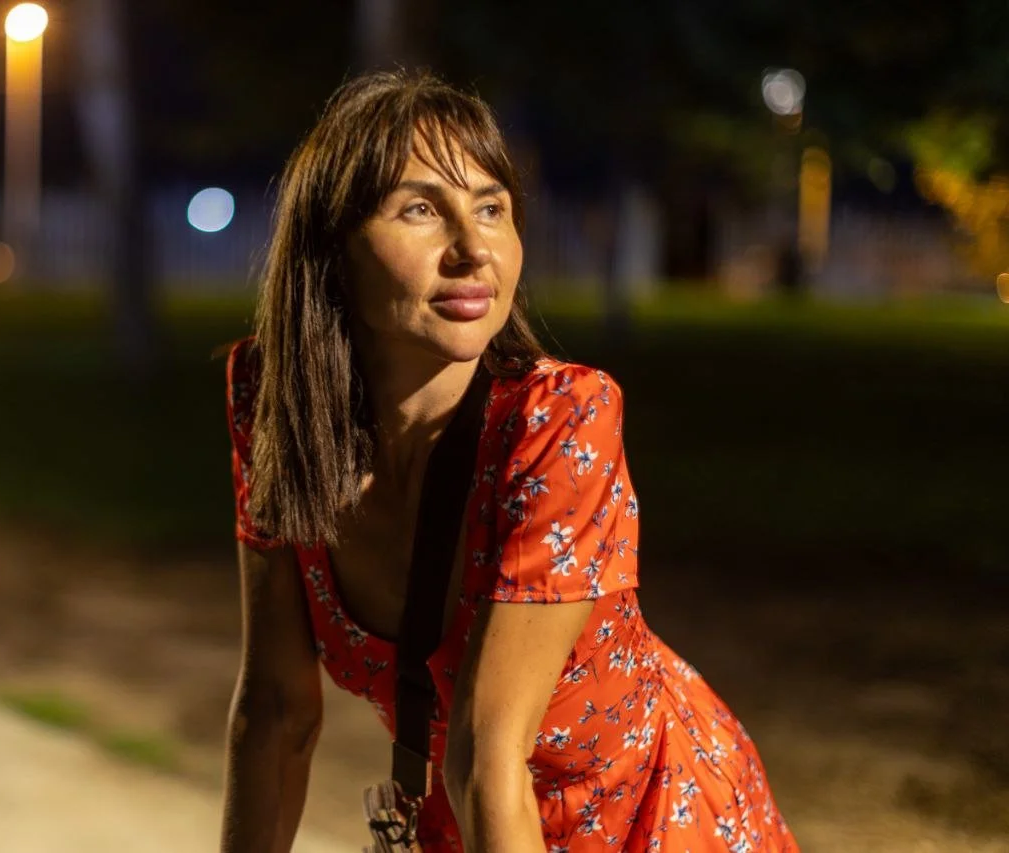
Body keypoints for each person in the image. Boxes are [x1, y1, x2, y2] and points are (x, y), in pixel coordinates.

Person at [219, 69, 798, 852]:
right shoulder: (272, 398)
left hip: (650, 819)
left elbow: (488, 756)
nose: (473, 249)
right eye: (421, 209)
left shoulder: (560, 420)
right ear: (333, 248)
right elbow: (276, 711)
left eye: (492, 207)